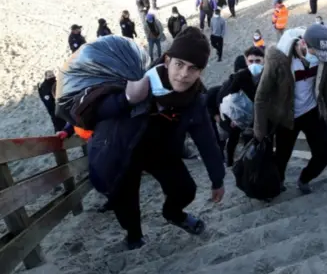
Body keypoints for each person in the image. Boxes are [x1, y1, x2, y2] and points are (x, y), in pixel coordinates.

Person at [77, 27, 225, 249]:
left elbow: (206, 138)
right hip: (125, 150)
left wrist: (217, 179)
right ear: (167, 60)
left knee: (185, 190)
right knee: (126, 201)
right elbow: (95, 112)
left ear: (200, 72)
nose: (184, 74)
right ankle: (134, 236)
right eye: (179, 64)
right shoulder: (138, 76)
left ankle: (173, 214)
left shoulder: (194, 99)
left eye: (193, 68)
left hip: (162, 152)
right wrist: (127, 98)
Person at [254, 25, 327, 194]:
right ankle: (278, 183)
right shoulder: (279, 60)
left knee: (326, 151)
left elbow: (326, 84)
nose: (320, 59)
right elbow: (261, 96)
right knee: (282, 157)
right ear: (304, 44)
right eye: (316, 54)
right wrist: (260, 130)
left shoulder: (322, 58)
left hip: (312, 111)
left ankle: (304, 178)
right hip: (286, 116)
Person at [216, 47, 265, 166]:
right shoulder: (240, 76)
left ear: (263, 60)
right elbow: (231, 98)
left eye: (257, 61)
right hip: (243, 114)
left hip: (261, 114)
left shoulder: (267, 75)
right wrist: (233, 118)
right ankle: (230, 162)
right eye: (251, 61)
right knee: (234, 137)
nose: (254, 64)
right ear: (246, 61)